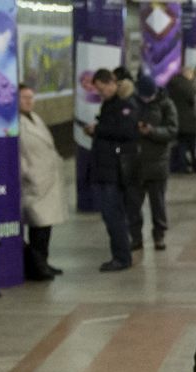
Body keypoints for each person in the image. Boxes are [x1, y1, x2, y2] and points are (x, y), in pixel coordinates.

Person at [81, 68, 139, 272]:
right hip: (105, 166)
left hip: (113, 169)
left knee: (113, 214)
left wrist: (99, 130)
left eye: (101, 89)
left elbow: (127, 131)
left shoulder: (125, 103)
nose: (100, 93)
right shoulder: (109, 104)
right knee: (111, 214)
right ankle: (121, 255)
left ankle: (122, 257)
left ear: (111, 83)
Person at [17, 85, 67, 282]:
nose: (29, 101)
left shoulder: (35, 118)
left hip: (47, 178)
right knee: (38, 225)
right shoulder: (16, 123)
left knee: (46, 226)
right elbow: (17, 154)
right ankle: (36, 266)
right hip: (34, 180)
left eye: (31, 97)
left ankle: (43, 262)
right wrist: (28, 173)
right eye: (24, 97)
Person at [129, 73, 178, 253]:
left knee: (157, 203)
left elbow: (172, 130)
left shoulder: (166, 104)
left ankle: (159, 235)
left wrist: (152, 131)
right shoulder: (132, 104)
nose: (146, 98)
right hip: (136, 162)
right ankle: (135, 237)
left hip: (157, 161)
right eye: (143, 95)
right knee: (133, 204)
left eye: (149, 95)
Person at [166, 68, 196, 173]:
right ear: (187, 73)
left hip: (175, 119)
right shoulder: (187, 85)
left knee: (180, 144)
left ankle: (180, 166)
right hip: (189, 121)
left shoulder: (171, 84)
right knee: (193, 145)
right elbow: (195, 99)